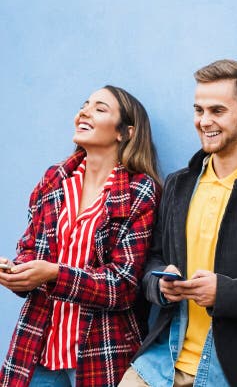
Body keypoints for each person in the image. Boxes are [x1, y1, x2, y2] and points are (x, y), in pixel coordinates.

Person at [118, 60, 237, 387]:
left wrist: (225, 293)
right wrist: (159, 284)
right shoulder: (178, 185)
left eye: (217, 111)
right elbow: (152, 260)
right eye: (198, 110)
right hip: (163, 360)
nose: (204, 121)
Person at [0, 86, 160, 387]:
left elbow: (122, 285)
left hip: (99, 353)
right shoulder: (53, 180)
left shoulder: (140, 192)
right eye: (85, 105)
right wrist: (19, 272)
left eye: (100, 109)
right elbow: (30, 247)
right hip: (37, 346)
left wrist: (54, 274)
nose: (84, 112)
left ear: (124, 132)